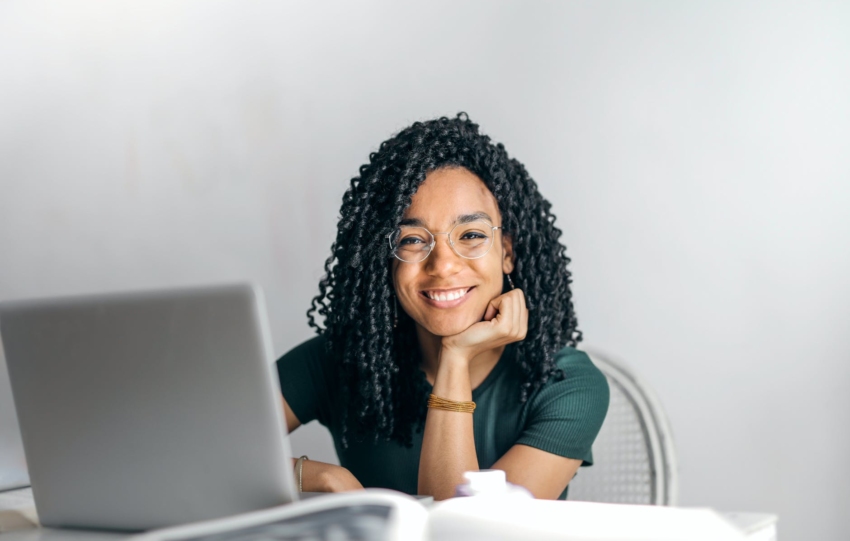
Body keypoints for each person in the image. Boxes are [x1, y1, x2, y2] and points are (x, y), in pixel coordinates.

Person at [276, 113, 609, 501]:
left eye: (470, 235)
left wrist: (456, 357)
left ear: (507, 252)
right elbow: (198, 450)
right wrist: (321, 477)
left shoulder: (566, 384)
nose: (444, 265)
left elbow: (463, 532)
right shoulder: (341, 359)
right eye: (413, 240)